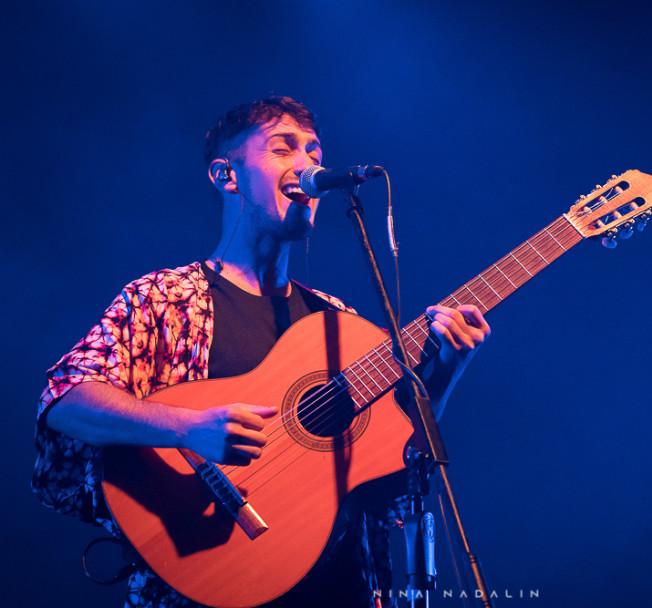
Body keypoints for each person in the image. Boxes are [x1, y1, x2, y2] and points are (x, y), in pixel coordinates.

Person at [32, 96, 491, 608]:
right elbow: (66, 398)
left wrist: (444, 373)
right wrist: (187, 428)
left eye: (314, 152)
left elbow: (395, 477)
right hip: (200, 582)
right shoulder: (164, 298)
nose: (309, 165)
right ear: (226, 176)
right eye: (283, 148)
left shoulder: (339, 325)